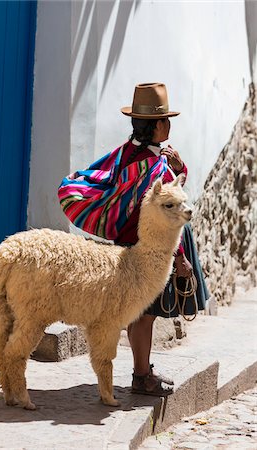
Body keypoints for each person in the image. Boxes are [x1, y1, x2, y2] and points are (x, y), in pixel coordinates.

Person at [116, 83, 209, 396]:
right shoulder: (153, 165)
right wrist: (179, 257)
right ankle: (142, 376)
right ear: (156, 125)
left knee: (139, 312)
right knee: (146, 313)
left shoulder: (129, 154)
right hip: (151, 251)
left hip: (129, 245)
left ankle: (142, 369)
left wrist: (179, 168)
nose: (169, 125)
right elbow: (163, 217)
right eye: (165, 120)